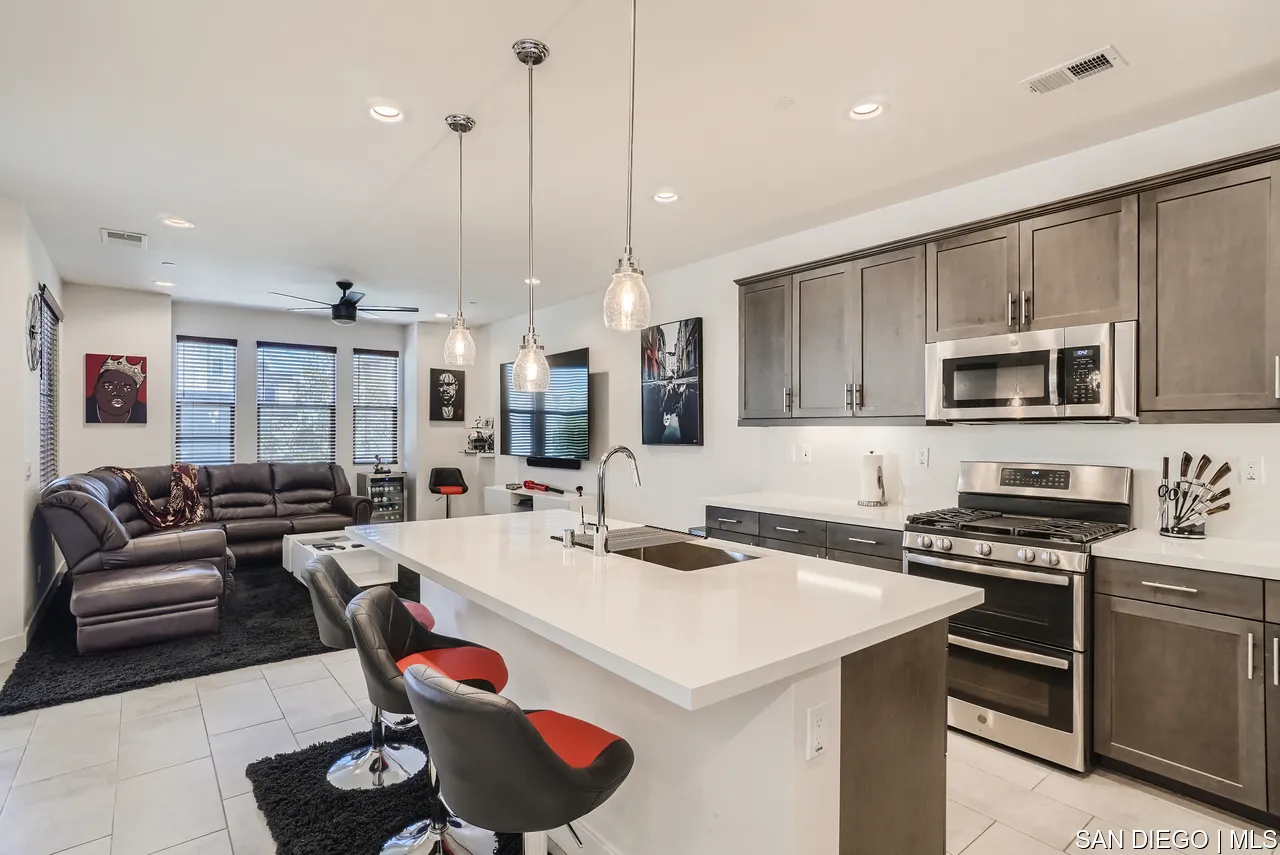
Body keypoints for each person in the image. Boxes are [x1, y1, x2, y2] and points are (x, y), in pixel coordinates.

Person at [86, 356, 147, 424]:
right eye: (108, 386)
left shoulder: (144, 413)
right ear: (96, 389)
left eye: (127, 388)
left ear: (136, 392)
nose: (117, 393)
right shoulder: (82, 409)